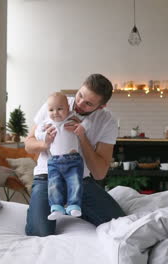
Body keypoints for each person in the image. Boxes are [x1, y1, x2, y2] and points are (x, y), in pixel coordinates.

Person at [25, 73, 126, 236]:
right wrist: (45, 143)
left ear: (100, 107)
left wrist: (82, 137)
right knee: (39, 232)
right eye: (80, 95)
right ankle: (61, 203)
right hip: (48, 176)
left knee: (120, 223)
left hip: (80, 179)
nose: (78, 104)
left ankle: (71, 204)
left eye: (88, 104)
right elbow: (28, 145)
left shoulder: (107, 122)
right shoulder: (56, 103)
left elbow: (99, 174)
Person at [35, 92, 89, 220]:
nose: (55, 113)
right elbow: (37, 133)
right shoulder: (47, 123)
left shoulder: (73, 118)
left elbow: (88, 124)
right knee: (54, 184)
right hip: (54, 161)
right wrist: (45, 136)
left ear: (68, 108)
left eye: (60, 109)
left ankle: (74, 205)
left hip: (73, 160)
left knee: (75, 182)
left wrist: (81, 127)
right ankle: (56, 207)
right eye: (51, 110)